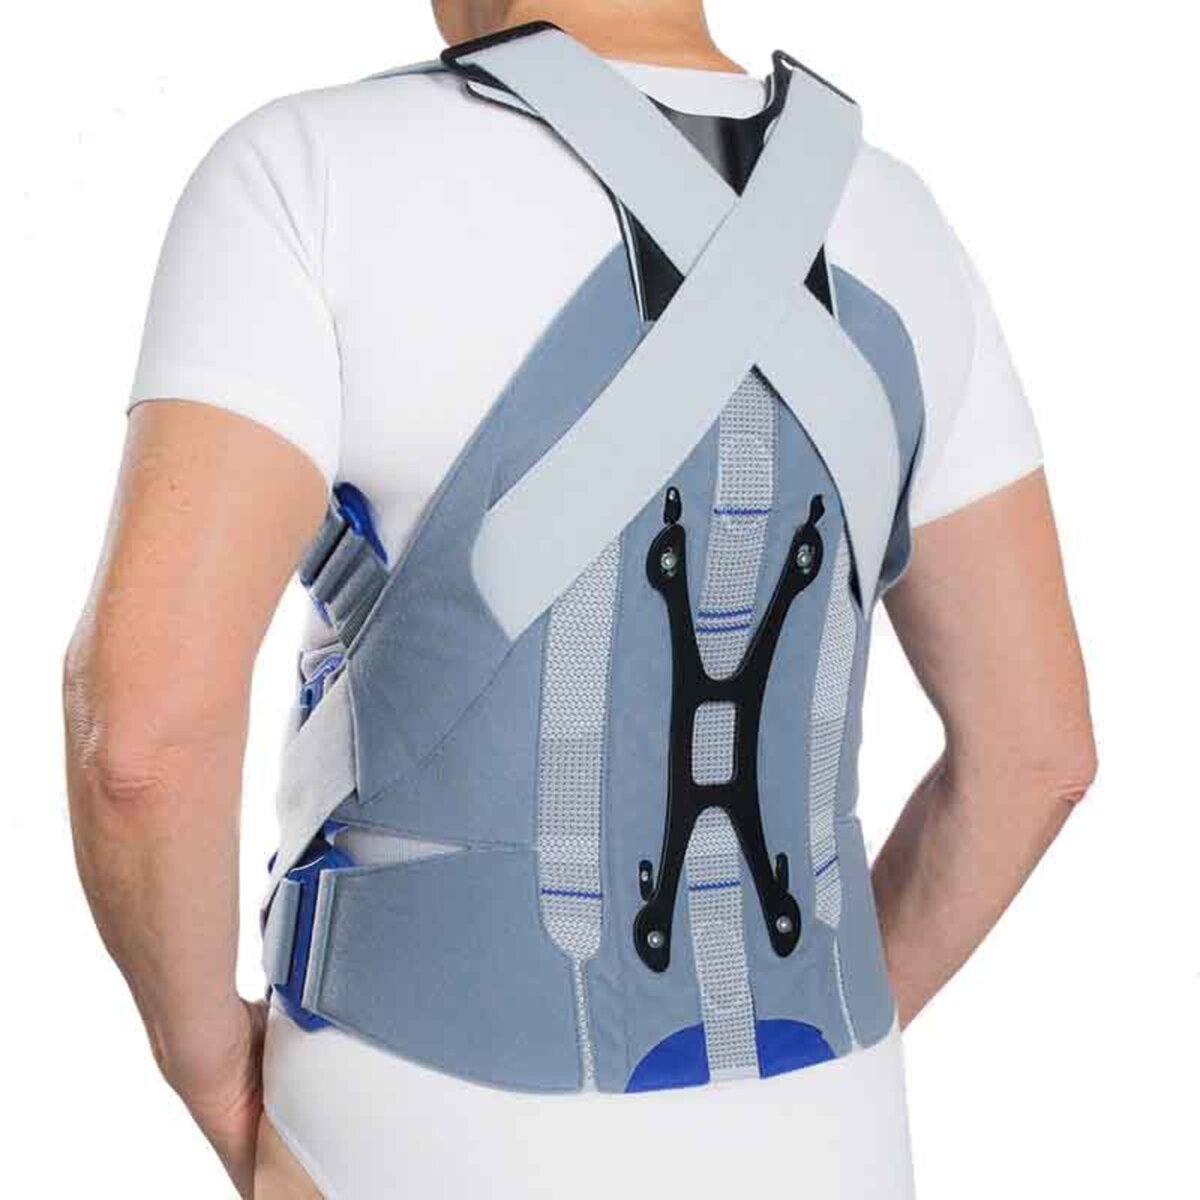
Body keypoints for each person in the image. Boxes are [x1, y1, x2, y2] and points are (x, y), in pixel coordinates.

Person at [63, 2, 1096, 1197]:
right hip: (834, 1140)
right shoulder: (901, 221)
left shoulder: (307, 177)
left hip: (417, 1128)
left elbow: (141, 740)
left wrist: (206, 1065)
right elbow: (1038, 756)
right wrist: (805, 1045)